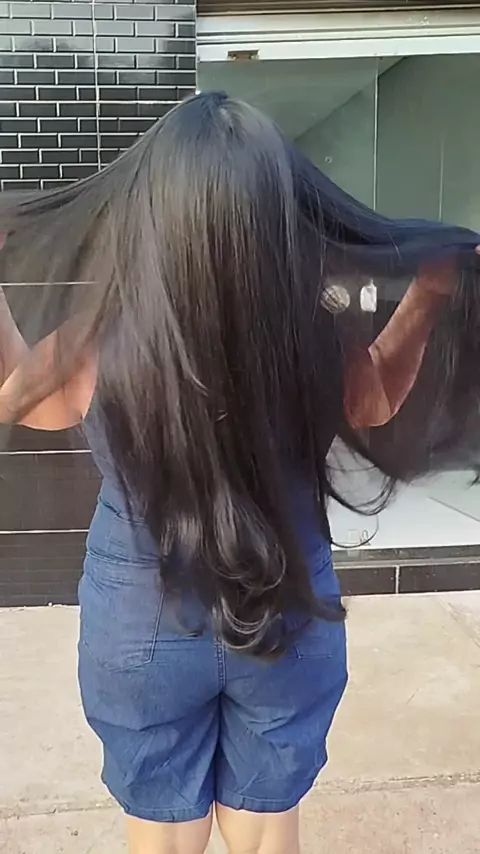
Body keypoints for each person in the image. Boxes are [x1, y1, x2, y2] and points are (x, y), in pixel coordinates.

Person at [0, 91, 479, 854]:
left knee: (163, 839)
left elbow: (17, 397)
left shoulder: (94, 343)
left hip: (141, 623)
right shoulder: (315, 339)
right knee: (264, 836)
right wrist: (428, 293)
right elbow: (378, 399)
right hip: (284, 604)